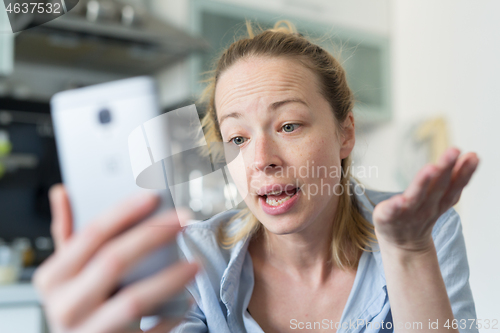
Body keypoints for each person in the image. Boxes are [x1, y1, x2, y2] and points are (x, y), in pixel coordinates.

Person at [35, 20, 480, 333]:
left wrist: (409, 251)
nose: (262, 159)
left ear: (346, 134)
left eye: (289, 126)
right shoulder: (195, 258)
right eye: (238, 138)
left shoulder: (425, 232)